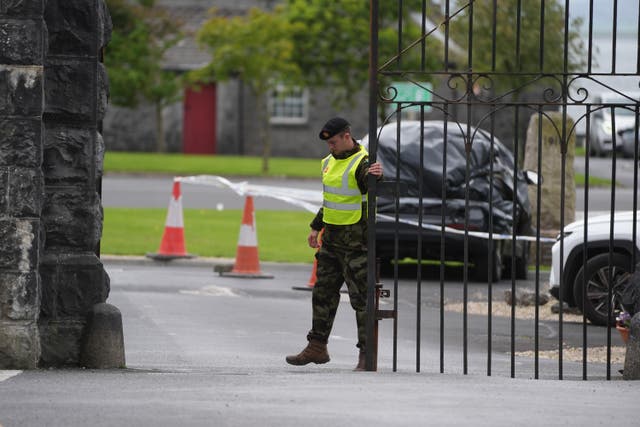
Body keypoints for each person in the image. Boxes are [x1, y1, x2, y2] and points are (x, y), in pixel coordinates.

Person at [286, 117, 383, 371]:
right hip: (331, 242)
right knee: (323, 295)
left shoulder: (363, 162)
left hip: (356, 244)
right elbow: (330, 200)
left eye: (333, 141)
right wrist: (316, 226)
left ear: (347, 136)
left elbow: (369, 184)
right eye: (328, 142)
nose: (330, 147)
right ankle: (317, 347)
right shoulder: (328, 163)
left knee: (361, 299)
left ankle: (366, 355)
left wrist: (377, 175)